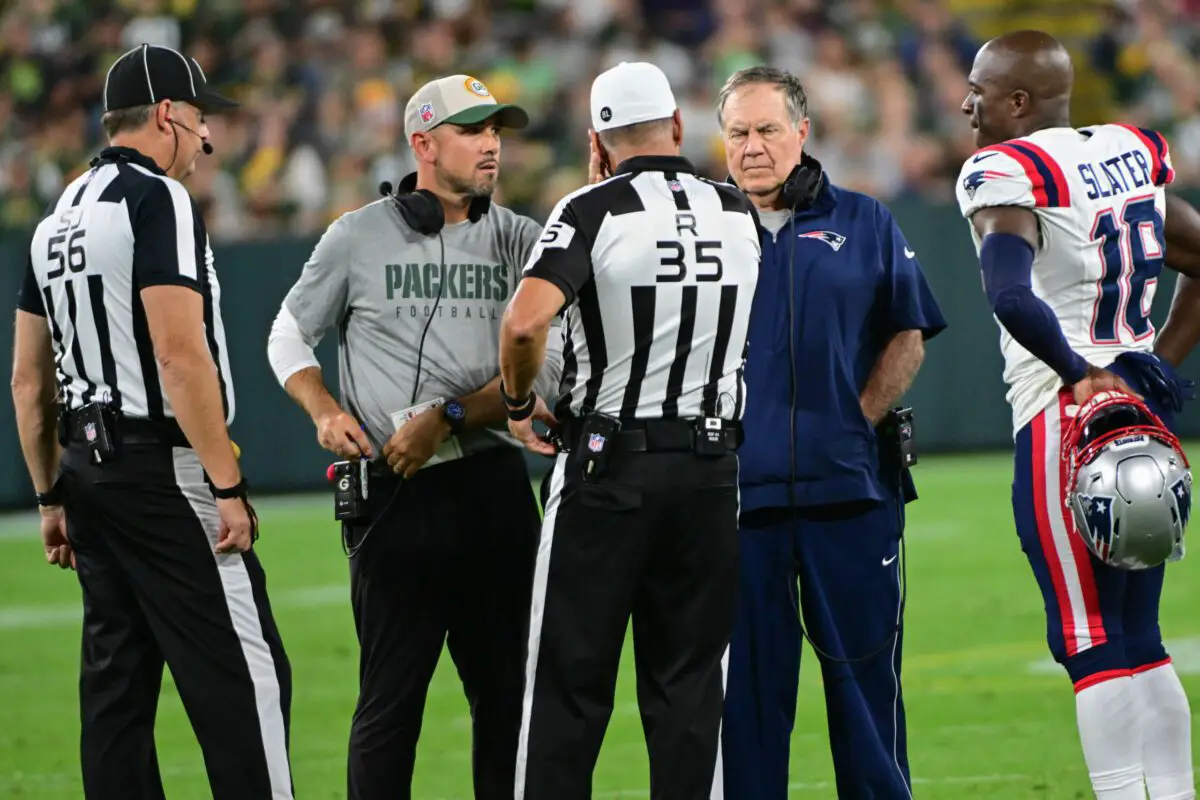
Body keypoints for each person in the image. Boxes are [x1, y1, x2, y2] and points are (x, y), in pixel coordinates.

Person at [10, 44, 293, 799]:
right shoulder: (156, 198)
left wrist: (47, 497)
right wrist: (225, 484)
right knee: (249, 677)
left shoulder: (56, 216)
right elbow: (178, 351)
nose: (208, 140)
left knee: (118, 693)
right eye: (200, 120)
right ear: (167, 115)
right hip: (162, 470)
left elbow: (28, 379)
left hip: (85, 472)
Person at [266, 73, 560, 800]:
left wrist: (451, 416)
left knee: (509, 702)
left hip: (492, 487)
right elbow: (285, 334)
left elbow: (546, 371)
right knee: (390, 704)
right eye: (472, 129)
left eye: (497, 129)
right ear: (423, 144)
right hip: (396, 491)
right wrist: (324, 410)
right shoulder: (355, 236)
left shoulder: (525, 241)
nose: (492, 143)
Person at [498, 61, 762, 800]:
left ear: (597, 140)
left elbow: (523, 324)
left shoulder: (591, 208)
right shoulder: (737, 210)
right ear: (679, 127)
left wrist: (519, 406)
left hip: (611, 469)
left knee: (567, 687)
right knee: (687, 692)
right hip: (712, 471)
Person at [954, 30, 1200, 800]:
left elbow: (1009, 293)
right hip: (1142, 424)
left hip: (1066, 419)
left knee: (1090, 642)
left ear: (1018, 102)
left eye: (981, 89)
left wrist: (1079, 373)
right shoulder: (1128, 149)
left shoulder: (1006, 171)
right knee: (1143, 640)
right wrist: (1156, 362)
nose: (966, 104)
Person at [715, 66, 947, 800]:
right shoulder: (704, 235)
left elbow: (909, 331)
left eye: (767, 130)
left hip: (848, 493)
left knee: (865, 690)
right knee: (745, 703)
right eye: (738, 133)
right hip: (735, 504)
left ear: (802, 131)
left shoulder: (863, 219)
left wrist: (857, 420)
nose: (752, 148)